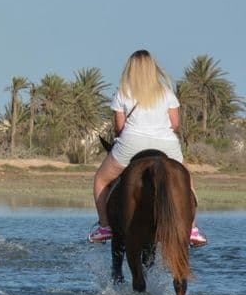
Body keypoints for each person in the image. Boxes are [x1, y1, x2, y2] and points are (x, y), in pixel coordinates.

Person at [88, 50, 207, 246]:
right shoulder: (167, 93)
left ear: (131, 70)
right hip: (166, 144)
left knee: (100, 180)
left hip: (131, 144)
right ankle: (192, 229)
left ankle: (104, 227)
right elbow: (175, 124)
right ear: (153, 69)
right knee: (186, 181)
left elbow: (119, 127)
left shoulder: (123, 93)